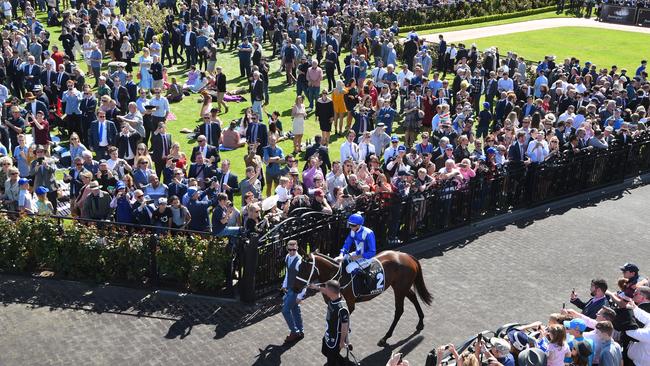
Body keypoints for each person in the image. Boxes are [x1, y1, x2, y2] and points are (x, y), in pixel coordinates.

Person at [308, 280, 350, 366]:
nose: (324, 291)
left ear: (331, 292)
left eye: (326, 289)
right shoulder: (333, 297)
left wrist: (342, 342)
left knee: (331, 360)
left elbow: (345, 327)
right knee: (324, 351)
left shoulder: (342, 309)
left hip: (335, 339)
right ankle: (342, 362)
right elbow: (325, 290)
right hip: (328, 334)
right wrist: (316, 287)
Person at [335, 213, 376, 280]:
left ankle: (365, 280)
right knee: (336, 260)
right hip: (356, 254)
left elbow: (372, 252)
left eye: (353, 225)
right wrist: (341, 255)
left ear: (359, 225)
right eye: (349, 225)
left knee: (349, 268)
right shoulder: (352, 231)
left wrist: (358, 257)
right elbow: (347, 244)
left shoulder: (369, 233)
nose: (351, 227)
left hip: (367, 258)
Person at [281, 240, 306, 343]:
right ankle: (300, 330)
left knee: (285, 311)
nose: (291, 251)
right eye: (289, 249)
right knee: (295, 310)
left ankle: (294, 332)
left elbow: (305, 281)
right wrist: (284, 285)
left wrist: (300, 296)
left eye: (294, 250)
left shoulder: (299, 261)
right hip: (290, 288)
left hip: (296, 291)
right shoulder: (287, 257)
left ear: (297, 248)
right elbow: (288, 272)